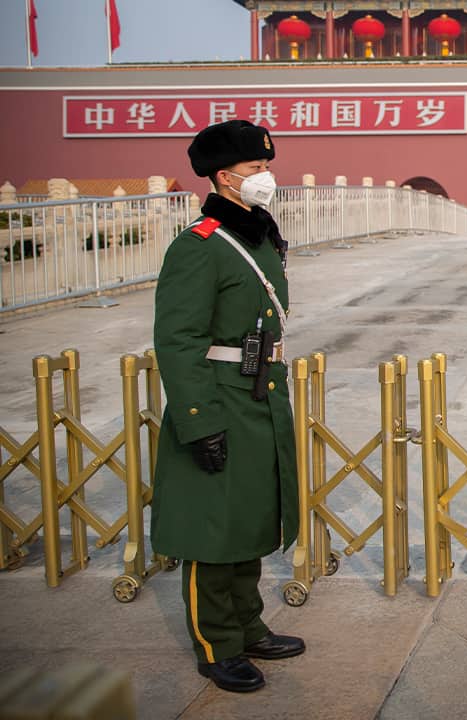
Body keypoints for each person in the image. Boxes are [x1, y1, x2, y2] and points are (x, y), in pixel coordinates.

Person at [151, 119, 303, 694]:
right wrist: (198, 420)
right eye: (256, 169)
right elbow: (179, 339)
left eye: (267, 166)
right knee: (213, 529)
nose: (266, 177)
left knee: (248, 518)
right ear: (223, 177)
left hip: (260, 392)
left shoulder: (259, 235)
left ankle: (247, 625)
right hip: (218, 396)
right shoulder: (199, 246)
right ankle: (216, 643)